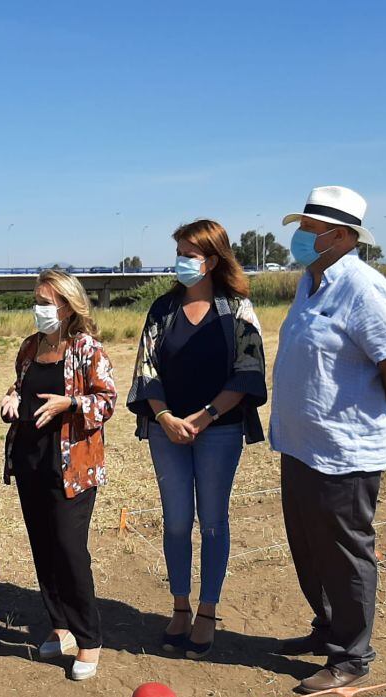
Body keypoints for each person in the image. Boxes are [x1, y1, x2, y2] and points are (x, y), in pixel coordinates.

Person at [271, 186, 386, 694]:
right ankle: (328, 629)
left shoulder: (363, 288)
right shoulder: (310, 283)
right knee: (309, 546)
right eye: (302, 228)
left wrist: (370, 408)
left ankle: (352, 657)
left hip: (345, 452)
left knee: (346, 552)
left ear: (340, 236)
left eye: (310, 231)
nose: (300, 238)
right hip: (301, 445)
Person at [126, 220, 267, 661]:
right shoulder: (162, 309)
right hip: (166, 431)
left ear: (211, 259)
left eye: (189, 253)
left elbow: (249, 372)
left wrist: (205, 417)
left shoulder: (237, 308)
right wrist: (165, 417)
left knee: (212, 520)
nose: (182, 261)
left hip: (218, 430)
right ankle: (180, 606)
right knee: (175, 520)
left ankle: (208, 610)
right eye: (180, 252)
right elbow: (145, 369)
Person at [1, 270, 116, 681]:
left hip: (72, 466)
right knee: (43, 548)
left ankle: (90, 639)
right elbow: (21, 386)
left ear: (67, 306)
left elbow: (107, 402)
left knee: (69, 549)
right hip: (31, 462)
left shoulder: (88, 350)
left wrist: (70, 403)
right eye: (36, 300)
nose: (39, 308)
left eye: (46, 302)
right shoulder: (30, 347)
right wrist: (12, 398)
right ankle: (60, 626)